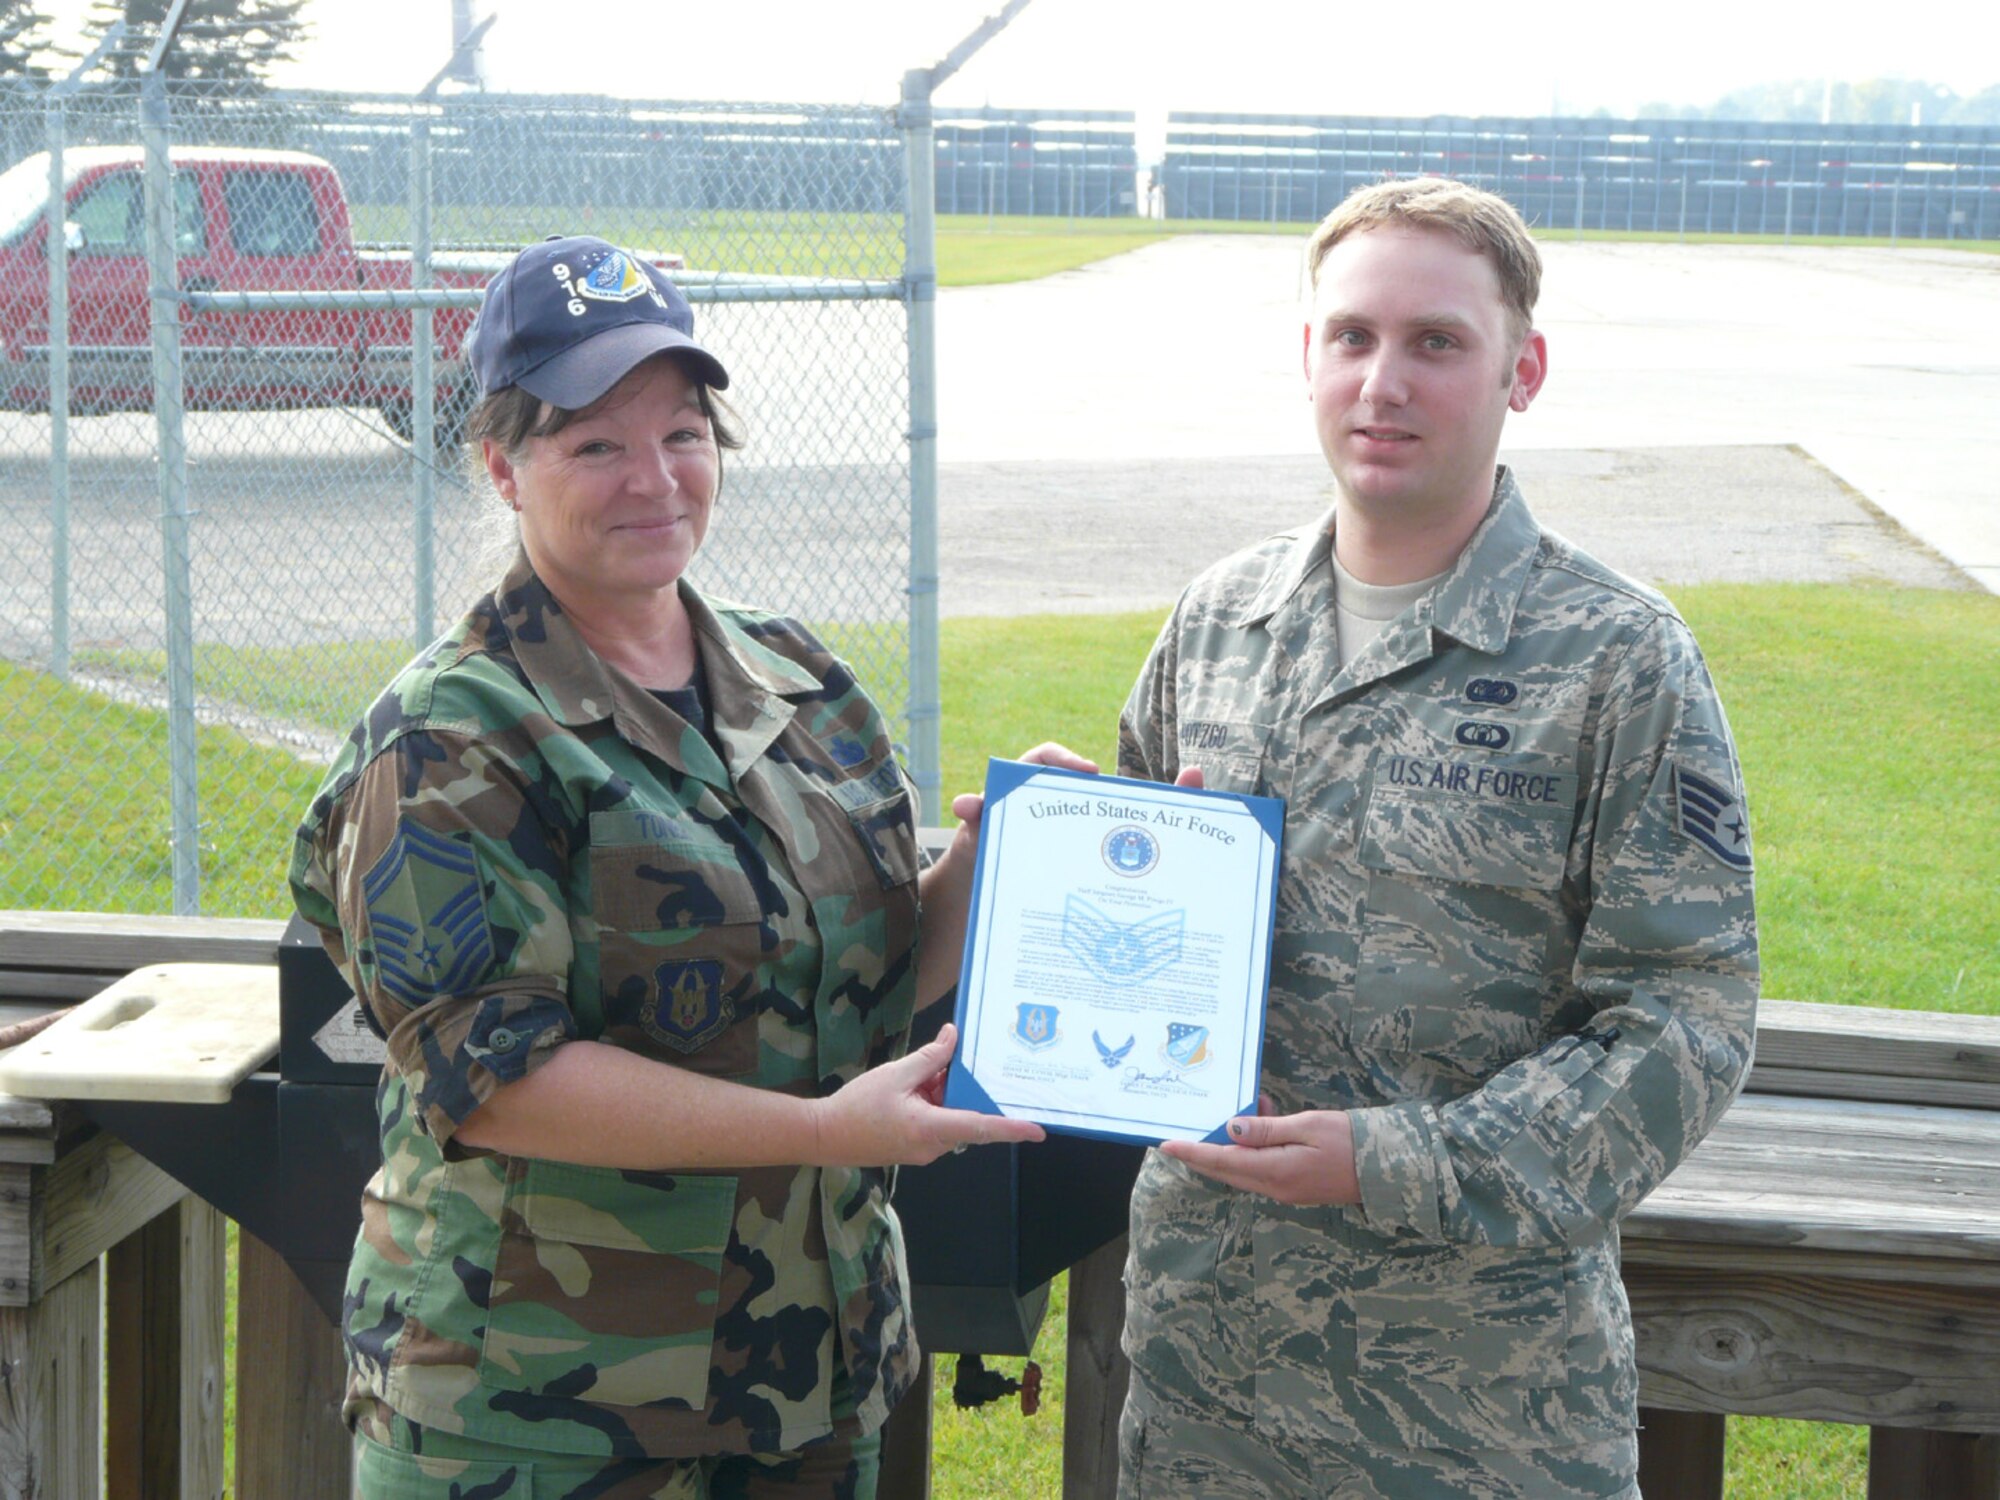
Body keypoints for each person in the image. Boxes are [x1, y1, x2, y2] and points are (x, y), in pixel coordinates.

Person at [289, 235, 1077, 1500]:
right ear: (501, 464)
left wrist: (998, 870)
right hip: (544, 1415)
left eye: (682, 433)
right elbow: (496, 1080)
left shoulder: (796, 678)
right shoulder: (447, 736)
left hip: (805, 1380)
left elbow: (858, 973)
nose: (652, 478)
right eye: (594, 443)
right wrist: (822, 1131)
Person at [1113, 180, 1759, 1499]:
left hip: (1479, 1412)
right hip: (1205, 1389)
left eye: (1437, 343)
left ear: (1522, 369)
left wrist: (1399, 1161)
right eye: (1351, 337)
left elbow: (1685, 1023)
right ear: (1308, 356)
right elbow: (1130, 955)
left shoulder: (1618, 660)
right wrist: (1062, 851)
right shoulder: (1218, 626)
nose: (1382, 382)